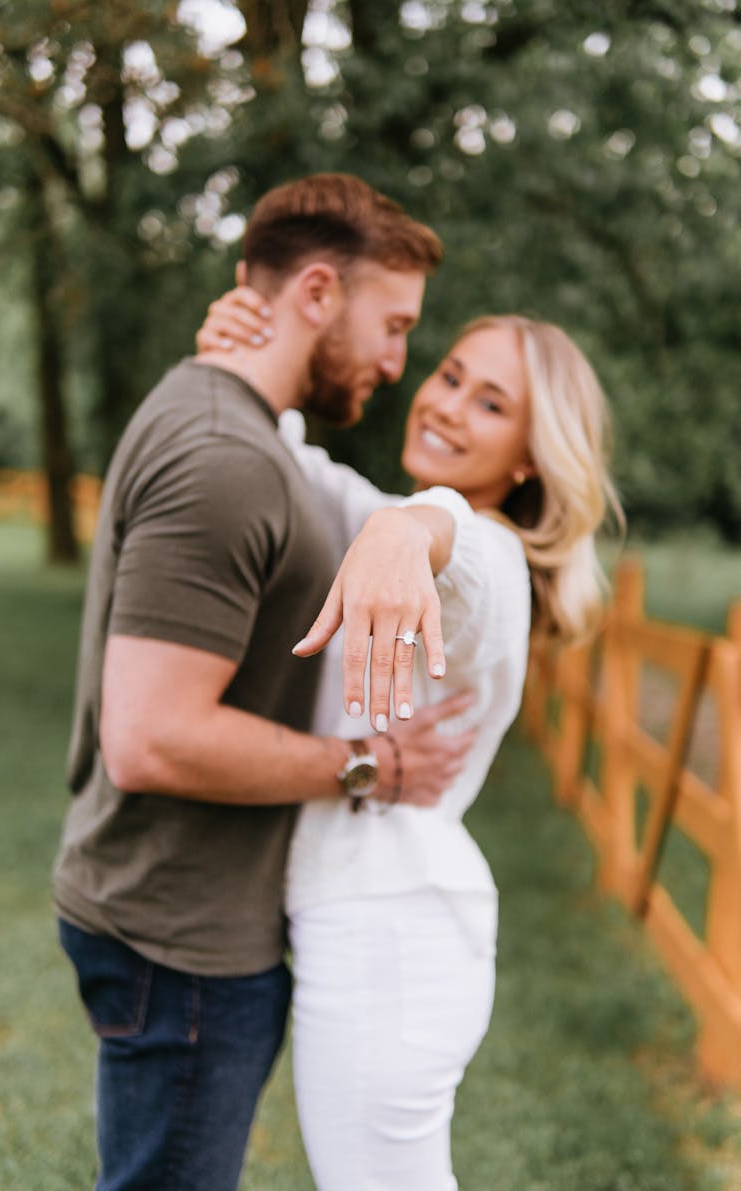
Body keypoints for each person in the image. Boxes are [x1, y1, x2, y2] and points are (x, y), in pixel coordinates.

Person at [53, 173, 479, 1191]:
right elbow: (150, 736)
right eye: (393, 323)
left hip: (178, 917)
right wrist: (370, 763)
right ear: (319, 294)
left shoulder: (233, 421)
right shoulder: (223, 457)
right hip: (180, 935)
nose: (398, 359)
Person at [197, 292, 625, 1190]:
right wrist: (241, 347)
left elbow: (456, 544)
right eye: (452, 375)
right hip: (375, 921)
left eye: (492, 404)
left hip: (390, 933)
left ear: (530, 461)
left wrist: (410, 525)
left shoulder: (491, 562)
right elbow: (300, 463)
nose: (446, 403)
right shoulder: (385, 514)